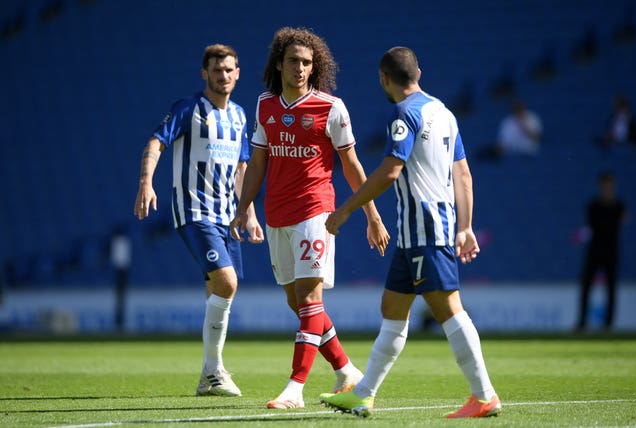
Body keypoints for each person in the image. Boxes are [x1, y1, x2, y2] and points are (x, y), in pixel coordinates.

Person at [319, 46, 501, 418]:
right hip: (416, 233)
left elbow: (390, 170)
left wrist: (347, 209)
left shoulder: (403, 113)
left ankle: (484, 396)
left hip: (424, 230)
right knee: (392, 309)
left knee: (449, 310)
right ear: (417, 71)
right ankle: (364, 393)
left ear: (385, 78)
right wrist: (465, 227)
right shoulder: (443, 112)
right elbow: (462, 173)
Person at [230, 27, 389, 409]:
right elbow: (257, 164)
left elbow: (351, 165)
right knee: (296, 302)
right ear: (279, 65)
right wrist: (242, 208)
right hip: (277, 215)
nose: (300, 68)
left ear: (314, 67)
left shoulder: (331, 107)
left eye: (306, 62)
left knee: (310, 297)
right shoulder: (264, 106)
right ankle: (346, 370)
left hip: (316, 211)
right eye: (293, 61)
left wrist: (372, 215)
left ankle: (294, 388)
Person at [133, 44, 263, 397]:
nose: (223, 75)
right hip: (194, 212)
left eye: (229, 70)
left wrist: (248, 212)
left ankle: (210, 373)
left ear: (238, 74)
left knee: (219, 291)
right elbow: (156, 142)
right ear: (204, 74)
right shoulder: (188, 109)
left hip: (227, 217)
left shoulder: (238, 116)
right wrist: (146, 182)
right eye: (217, 70)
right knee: (227, 283)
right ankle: (212, 371)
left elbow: (242, 169)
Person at [577, 172, 626, 330]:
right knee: (586, 286)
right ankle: (582, 322)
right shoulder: (594, 205)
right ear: (600, 187)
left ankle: (609, 324)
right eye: (605, 186)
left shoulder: (619, 205)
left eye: (609, 186)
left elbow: (616, 225)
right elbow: (598, 226)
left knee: (611, 288)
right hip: (595, 251)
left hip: (611, 251)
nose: (607, 189)